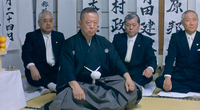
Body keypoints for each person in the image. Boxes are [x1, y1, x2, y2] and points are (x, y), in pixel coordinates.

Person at [49, 7, 142, 110]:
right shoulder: (69, 44)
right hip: (81, 86)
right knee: (68, 97)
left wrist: (128, 78)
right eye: (88, 23)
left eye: (95, 23)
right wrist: (76, 87)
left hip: (101, 84)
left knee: (134, 88)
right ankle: (107, 104)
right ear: (80, 23)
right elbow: (67, 69)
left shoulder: (103, 42)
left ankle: (93, 105)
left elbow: (117, 62)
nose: (92, 26)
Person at [156, 10, 200, 93]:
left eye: (194, 20)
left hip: (196, 76)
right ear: (182, 22)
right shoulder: (176, 37)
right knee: (159, 81)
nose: (191, 23)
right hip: (180, 76)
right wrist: (168, 77)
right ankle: (189, 89)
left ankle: (184, 89)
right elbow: (170, 58)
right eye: (188, 20)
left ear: (197, 21)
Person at [22, 10, 65, 95]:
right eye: (45, 21)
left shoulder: (59, 36)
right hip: (39, 70)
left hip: (54, 70)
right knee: (31, 72)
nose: (48, 23)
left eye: (50, 20)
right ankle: (50, 85)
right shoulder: (31, 36)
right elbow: (26, 53)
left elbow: (64, 54)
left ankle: (47, 86)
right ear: (39, 23)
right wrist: (32, 67)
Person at [113, 13, 157, 87]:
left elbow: (151, 58)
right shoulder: (118, 38)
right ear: (124, 26)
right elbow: (113, 57)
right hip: (121, 70)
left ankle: (126, 84)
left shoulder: (146, 41)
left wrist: (150, 69)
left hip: (137, 72)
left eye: (134, 25)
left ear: (139, 26)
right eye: (128, 25)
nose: (131, 28)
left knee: (146, 78)